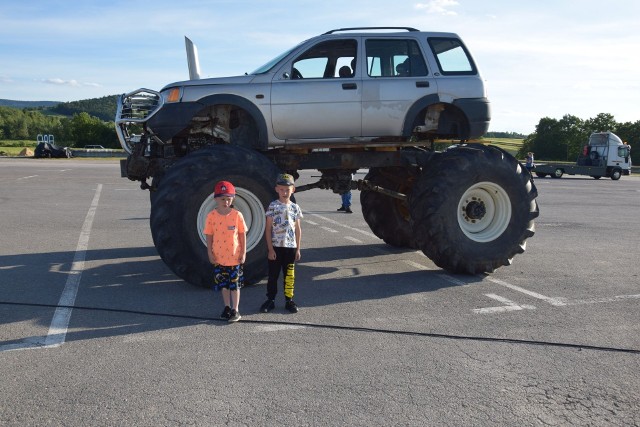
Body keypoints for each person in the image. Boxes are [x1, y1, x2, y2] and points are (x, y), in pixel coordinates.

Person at [203, 180, 247, 323]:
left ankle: (236, 309)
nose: (225, 202)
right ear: (216, 199)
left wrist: (243, 252)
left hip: (234, 257)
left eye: (228, 199)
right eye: (222, 199)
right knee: (224, 285)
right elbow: (209, 235)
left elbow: (242, 234)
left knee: (235, 285)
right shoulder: (211, 216)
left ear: (232, 199)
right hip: (219, 257)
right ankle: (227, 307)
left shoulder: (237, 215)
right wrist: (210, 252)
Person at [261, 173, 303, 314]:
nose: (285, 192)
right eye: (282, 189)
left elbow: (297, 229)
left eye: (287, 189)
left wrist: (298, 249)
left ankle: (289, 300)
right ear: (276, 189)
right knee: (273, 275)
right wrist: (270, 249)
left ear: (293, 190)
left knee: (289, 275)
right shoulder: (273, 206)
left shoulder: (295, 208)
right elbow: (268, 229)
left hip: (290, 248)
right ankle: (270, 300)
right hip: (276, 247)